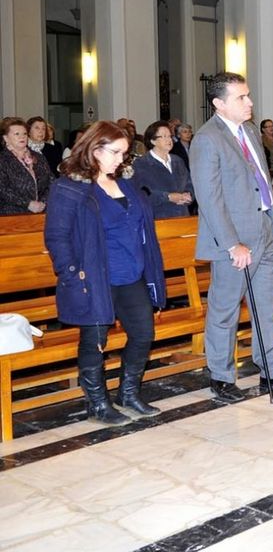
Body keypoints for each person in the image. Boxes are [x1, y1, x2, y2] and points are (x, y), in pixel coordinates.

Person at [190, 72, 273, 402]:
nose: (250, 102)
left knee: (267, 308)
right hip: (235, 241)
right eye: (241, 97)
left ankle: (272, 368)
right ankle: (221, 376)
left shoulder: (250, 131)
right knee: (225, 310)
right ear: (219, 103)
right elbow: (209, 199)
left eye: (248, 95)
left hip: (264, 232)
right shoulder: (207, 139)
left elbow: (262, 184)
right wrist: (232, 243)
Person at [44, 121, 167, 424]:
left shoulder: (126, 182)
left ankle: (128, 393)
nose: (120, 160)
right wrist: (72, 273)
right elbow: (57, 237)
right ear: (94, 149)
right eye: (115, 152)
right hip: (95, 278)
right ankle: (98, 404)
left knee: (143, 334)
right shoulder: (69, 187)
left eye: (124, 153)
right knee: (95, 341)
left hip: (132, 274)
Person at [131, 121, 195, 218]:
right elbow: (141, 193)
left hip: (182, 216)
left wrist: (188, 194)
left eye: (170, 136)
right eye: (164, 136)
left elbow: (189, 183)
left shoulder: (177, 160)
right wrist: (168, 197)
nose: (169, 139)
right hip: (158, 217)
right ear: (153, 141)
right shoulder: (142, 163)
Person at [0, 117, 54, 215]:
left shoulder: (39, 157)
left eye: (24, 133)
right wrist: (28, 204)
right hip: (12, 214)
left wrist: (43, 202)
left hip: (42, 212)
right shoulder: (3, 160)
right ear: (6, 138)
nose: (22, 137)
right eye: (17, 134)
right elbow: (2, 189)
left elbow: (51, 181)